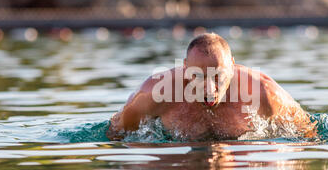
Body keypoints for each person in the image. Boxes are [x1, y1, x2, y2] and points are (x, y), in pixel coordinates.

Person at [106, 33, 316, 141]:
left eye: (218, 77)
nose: (209, 88)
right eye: (198, 76)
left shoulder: (264, 93)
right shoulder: (155, 93)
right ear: (185, 68)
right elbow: (117, 134)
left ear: (232, 66)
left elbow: (307, 133)